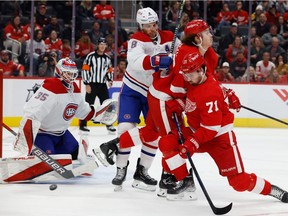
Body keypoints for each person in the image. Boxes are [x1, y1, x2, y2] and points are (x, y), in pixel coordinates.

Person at [158, 52, 288, 203]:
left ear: (200, 70)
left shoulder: (209, 92)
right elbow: (209, 93)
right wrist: (228, 93)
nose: (186, 78)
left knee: (238, 182)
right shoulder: (200, 79)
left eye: (189, 74)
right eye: (185, 74)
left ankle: (272, 190)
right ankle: (186, 183)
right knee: (167, 142)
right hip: (198, 133)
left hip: (219, 138)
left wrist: (191, 143)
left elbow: (211, 128)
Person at [12, 57, 118, 182]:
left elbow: (82, 111)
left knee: (75, 155)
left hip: (61, 133)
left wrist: (98, 113)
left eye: (73, 73)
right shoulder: (51, 86)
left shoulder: (74, 88)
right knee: (48, 160)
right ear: (59, 72)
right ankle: (35, 153)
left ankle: (49, 153)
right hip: (43, 134)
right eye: (67, 72)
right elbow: (31, 112)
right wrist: (25, 141)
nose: (71, 76)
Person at [109, 7, 175, 192]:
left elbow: (180, 56)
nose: (151, 28)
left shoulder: (170, 36)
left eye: (153, 24)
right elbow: (134, 61)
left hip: (154, 91)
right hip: (133, 88)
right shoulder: (136, 39)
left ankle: (142, 171)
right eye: (147, 25)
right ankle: (121, 169)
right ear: (141, 25)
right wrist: (156, 61)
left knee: (153, 134)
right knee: (124, 129)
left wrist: (174, 60)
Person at [80, 37, 115, 133]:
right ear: (97, 45)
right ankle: (83, 125)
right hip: (92, 84)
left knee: (107, 105)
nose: (103, 46)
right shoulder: (90, 56)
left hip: (102, 85)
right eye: (101, 44)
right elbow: (85, 69)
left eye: (104, 44)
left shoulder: (107, 58)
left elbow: (109, 70)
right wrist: (86, 83)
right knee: (88, 105)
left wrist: (110, 80)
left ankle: (109, 124)